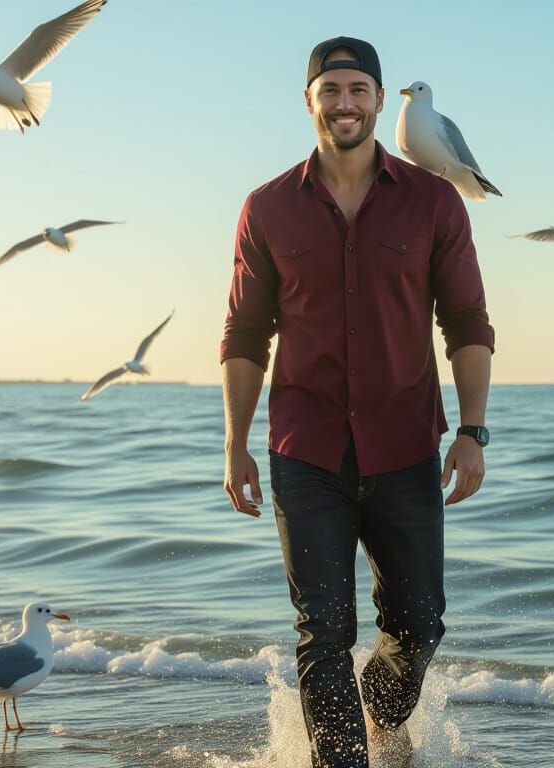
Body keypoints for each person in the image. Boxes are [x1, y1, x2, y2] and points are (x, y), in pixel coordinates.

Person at [220, 36, 494, 768]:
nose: (344, 103)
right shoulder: (267, 207)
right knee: (323, 629)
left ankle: (384, 717)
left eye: (357, 89)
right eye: (330, 89)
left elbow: (466, 320)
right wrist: (234, 442)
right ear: (310, 100)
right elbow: (246, 334)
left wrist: (472, 430)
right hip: (304, 452)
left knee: (420, 625)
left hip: (405, 446)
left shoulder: (434, 201)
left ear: (378, 98)